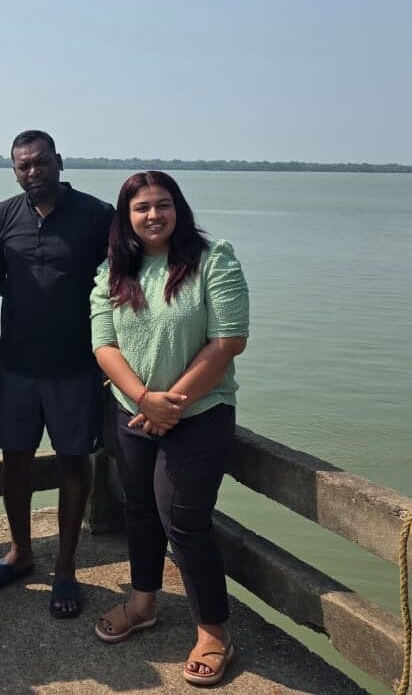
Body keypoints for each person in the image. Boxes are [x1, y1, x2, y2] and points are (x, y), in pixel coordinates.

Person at [88, 171, 248, 687]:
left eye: (163, 204)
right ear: (126, 217)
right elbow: (103, 344)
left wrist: (171, 404)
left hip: (198, 414)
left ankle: (214, 630)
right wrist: (143, 399)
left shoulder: (213, 258)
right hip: (131, 411)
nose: (153, 215)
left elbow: (228, 341)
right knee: (139, 508)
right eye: (141, 207)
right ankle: (143, 602)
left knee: (183, 519)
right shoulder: (114, 270)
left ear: (178, 208)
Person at [0, 130, 114, 619]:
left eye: (39, 163)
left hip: (76, 367)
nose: (31, 172)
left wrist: (116, 361)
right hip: (17, 365)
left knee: (73, 464)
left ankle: (65, 567)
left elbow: (121, 287)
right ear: (13, 170)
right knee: (14, 461)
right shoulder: (1, 217)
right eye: (22, 166)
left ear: (58, 161)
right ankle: (20, 552)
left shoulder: (98, 216)